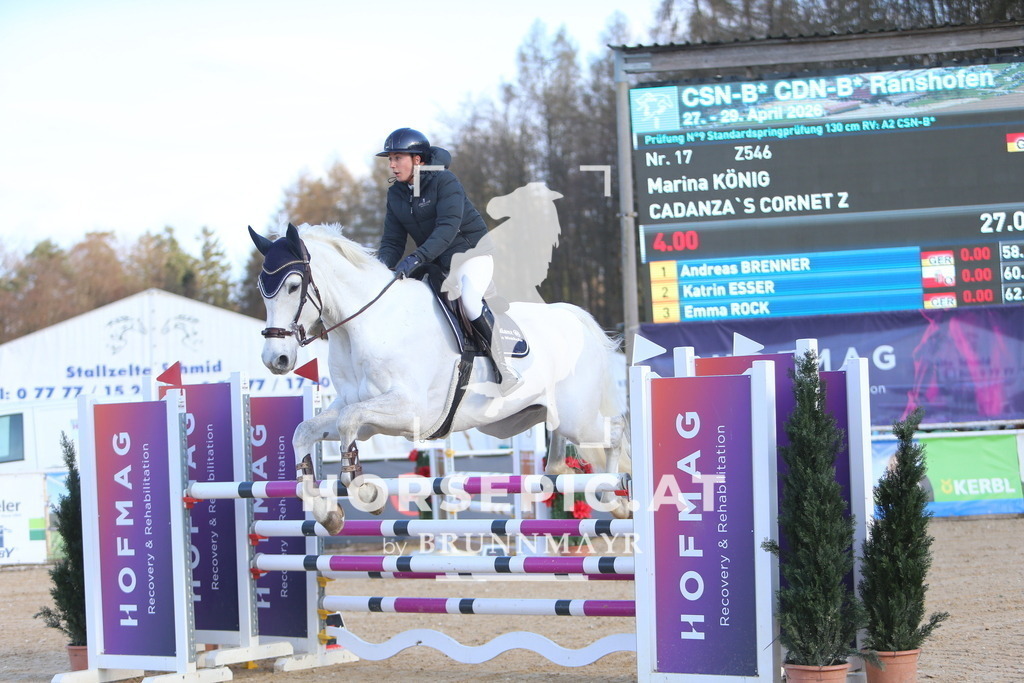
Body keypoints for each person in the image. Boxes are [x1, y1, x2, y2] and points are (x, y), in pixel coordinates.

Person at [375, 127, 520, 394]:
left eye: (398, 158)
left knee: (470, 301)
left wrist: (417, 257)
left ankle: (506, 369)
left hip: (471, 253)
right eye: (390, 159)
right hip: (438, 261)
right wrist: (379, 270)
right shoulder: (396, 194)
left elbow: (447, 227)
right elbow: (393, 242)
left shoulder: (445, 181)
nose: (392, 165)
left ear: (418, 159)